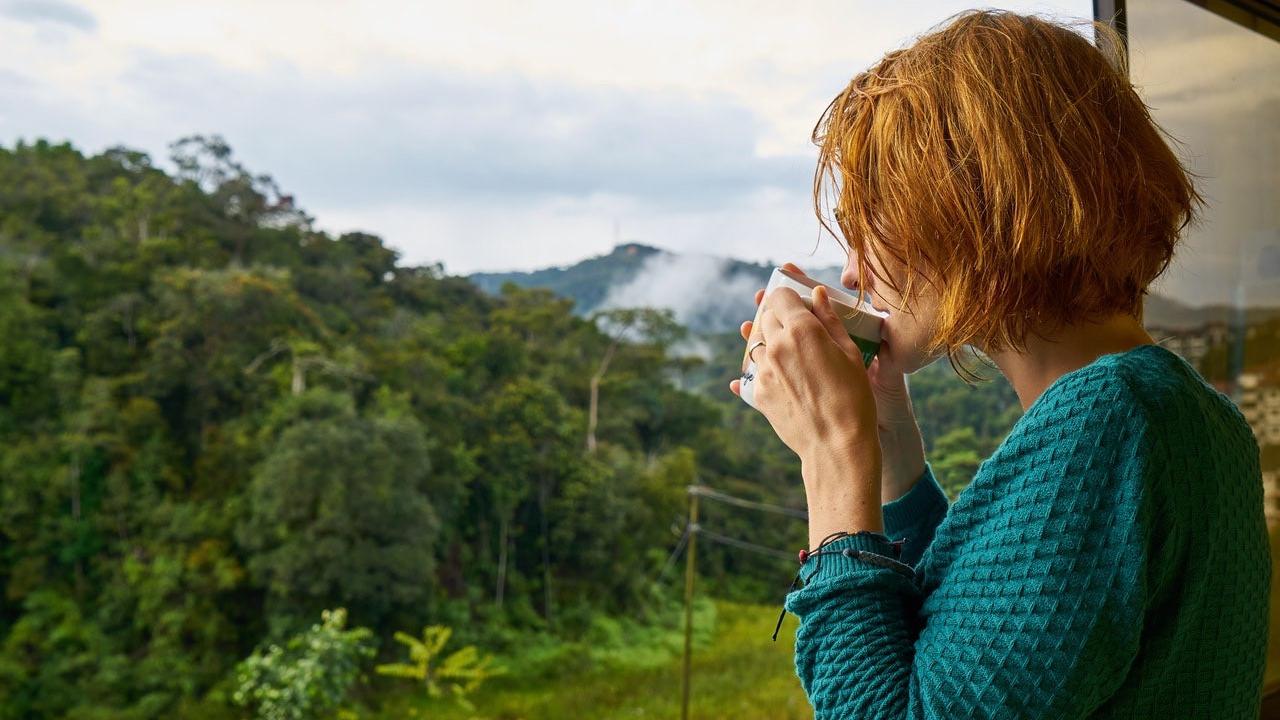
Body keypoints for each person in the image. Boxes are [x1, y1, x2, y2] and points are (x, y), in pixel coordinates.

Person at [728, 8, 1271, 719]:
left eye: (868, 229)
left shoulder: (1110, 422)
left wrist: (835, 456)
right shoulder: (1184, 413)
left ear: (965, 209)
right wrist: (892, 449)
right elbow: (984, 643)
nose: (854, 273)